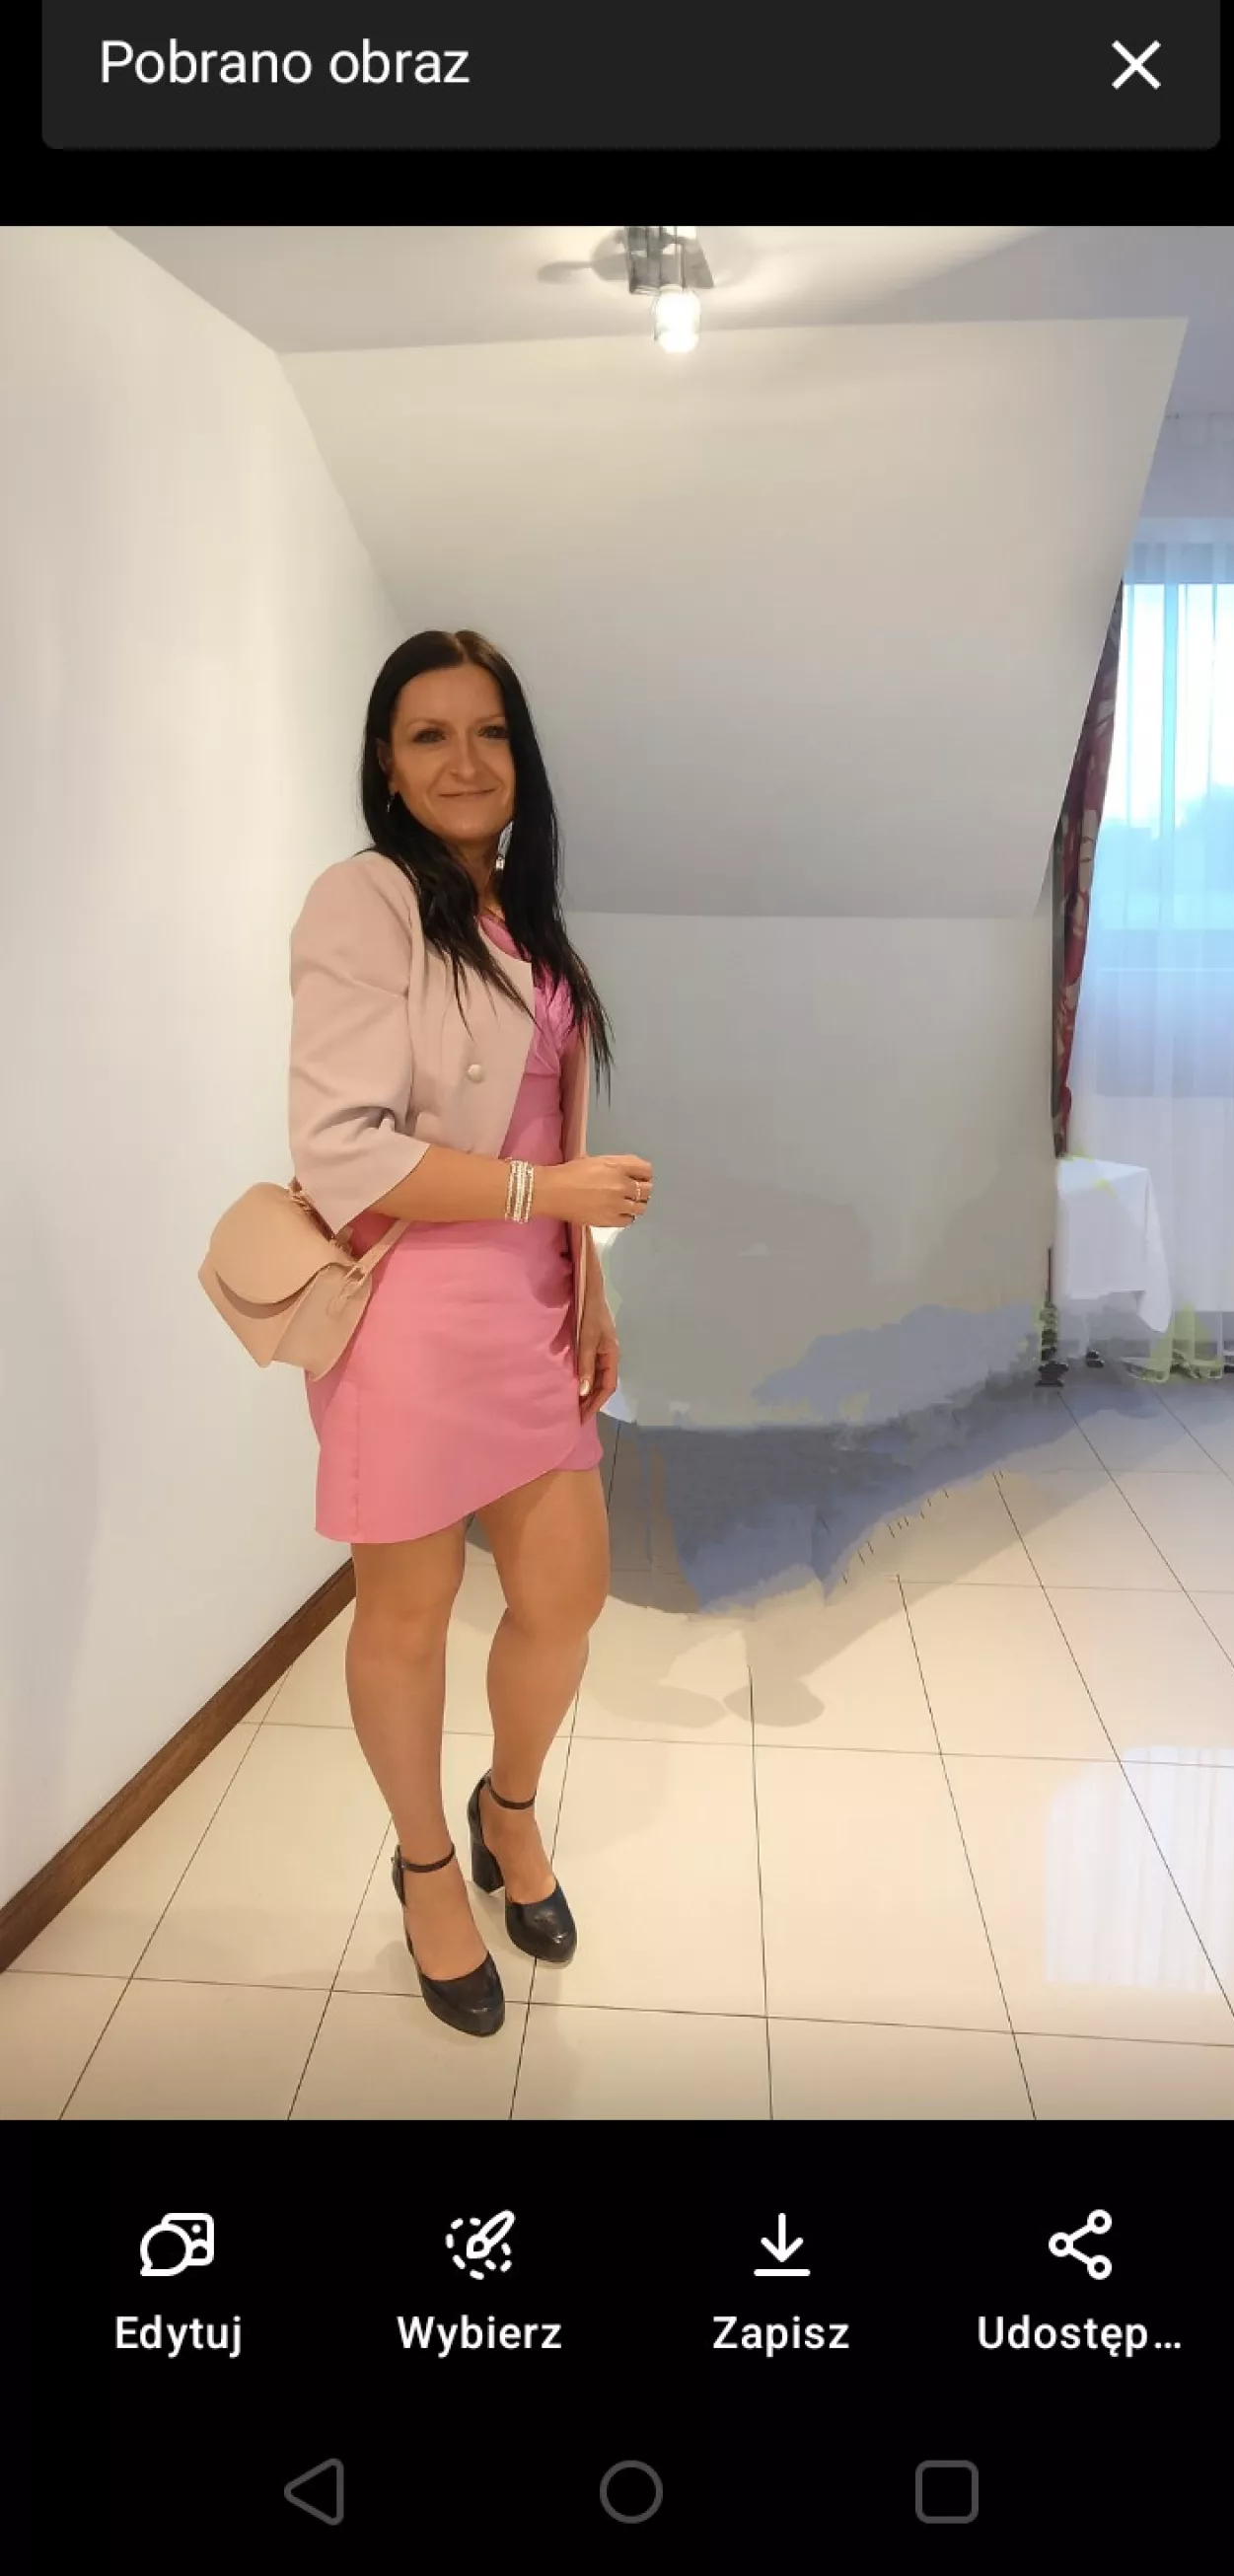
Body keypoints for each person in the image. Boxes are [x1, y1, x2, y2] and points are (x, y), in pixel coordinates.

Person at [287, 629, 652, 2037]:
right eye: (428, 735)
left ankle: (508, 1807)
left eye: (488, 731)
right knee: (408, 1616)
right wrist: (548, 1197)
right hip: (411, 1318)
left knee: (566, 1599)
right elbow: (343, 1150)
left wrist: (587, 1279)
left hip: (533, 1308)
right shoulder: (366, 900)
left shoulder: (524, 916)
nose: (463, 760)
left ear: (521, 756)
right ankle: (427, 1867)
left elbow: (547, 1118)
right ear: (385, 765)